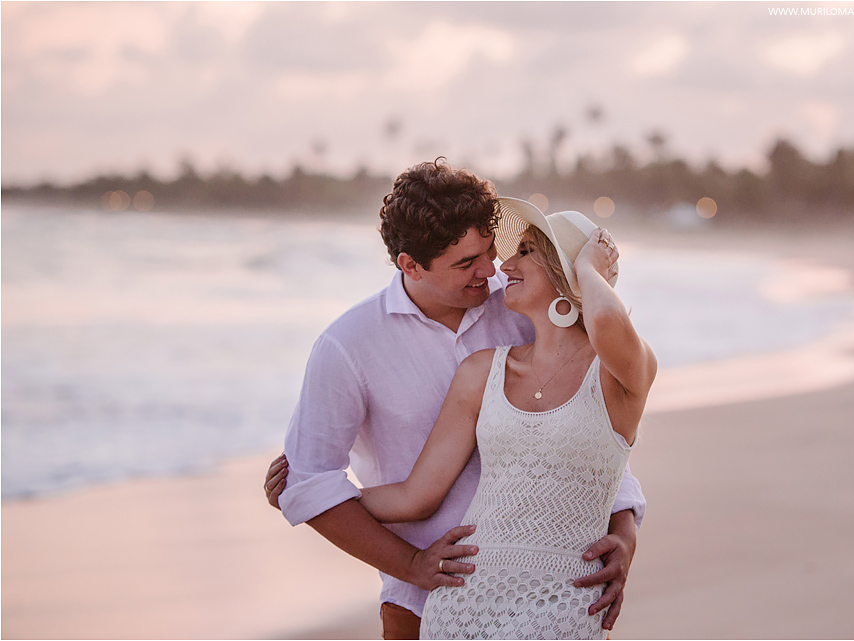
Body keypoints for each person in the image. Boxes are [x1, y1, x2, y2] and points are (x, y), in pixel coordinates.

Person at [264, 160, 645, 639]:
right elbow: (315, 482)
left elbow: (588, 429)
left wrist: (624, 529)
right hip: (423, 601)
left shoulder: (525, 304)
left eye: (488, 250)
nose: (490, 270)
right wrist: (412, 565)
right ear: (411, 265)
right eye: (466, 263)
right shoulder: (348, 347)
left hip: (551, 595)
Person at [355, 198, 657, 639]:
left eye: (527, 251)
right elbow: (415, 495)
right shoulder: (482, 370)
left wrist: (589, 269)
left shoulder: (619, 374)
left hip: (562, 606)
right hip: (461, 607)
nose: (505, 264)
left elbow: (607, 319)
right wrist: (318, 495)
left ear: (566, 272)